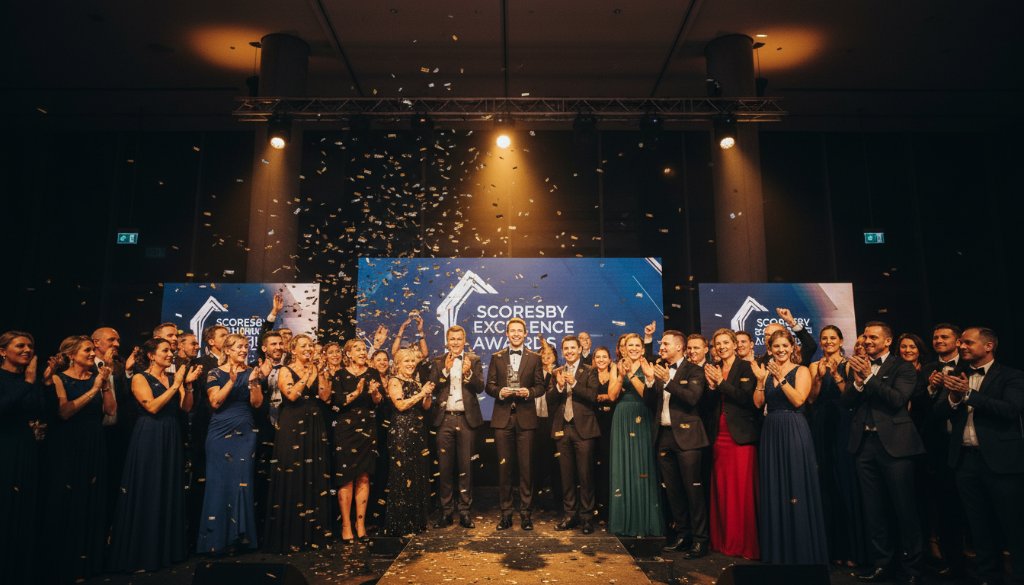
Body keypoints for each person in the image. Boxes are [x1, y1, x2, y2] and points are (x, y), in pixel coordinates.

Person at [932, 327, 1024, 585]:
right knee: (979, 526)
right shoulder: (959, 375)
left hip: (1002, 463)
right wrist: (952, 396)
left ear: (988, 346)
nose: (962, 347)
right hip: (966, 461)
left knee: (1013, 527)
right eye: (961, 343)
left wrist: (970, 395)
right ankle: (988, 577)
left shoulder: (1011, 376)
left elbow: (1011, 409)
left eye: (969, 343)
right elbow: (939, 414)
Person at [842, 321, 925, 583]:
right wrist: (856, 383)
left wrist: (868, 378)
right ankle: (882, 564)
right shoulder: (858, 364)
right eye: (865, 337)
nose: (866, 341)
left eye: (873, 337)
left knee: (904, 509)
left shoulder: (903, 366)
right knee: (873, 509)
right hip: (864, 445)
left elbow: (897, 400)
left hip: (896, 446)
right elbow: (846, 402)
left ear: (887, 341)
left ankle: (912, 569)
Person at [109, 338, 201, 572]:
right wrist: (176, 384)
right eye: (165, 351)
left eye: (171, 351)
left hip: (171, 433)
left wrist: (187, 386)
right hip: (149, 434)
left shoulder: (173, 378)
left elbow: (186, 407)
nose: (171, 354)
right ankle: (142, 551)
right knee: (148, 486)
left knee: (167, 487)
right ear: (151, 355)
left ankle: (165, 549)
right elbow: (151, 407)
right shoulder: (141, 377)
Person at [752, 329, 828, 565]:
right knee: (775, 485)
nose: (781, 350)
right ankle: (779, 552)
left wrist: (781, 379)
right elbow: (758, 403)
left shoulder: (802, 370)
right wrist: (760, 381)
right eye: (776, 347)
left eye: (785, 346)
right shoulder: (767, 372)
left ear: (792, 347)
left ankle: (802, 551)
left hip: (794, 428)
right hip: (771, 430)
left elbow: (798, 400)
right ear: (770, 349)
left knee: (795, 483)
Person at [44, 335, 116, 582]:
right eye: (86, 350)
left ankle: (89, 563)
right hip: (68, 444)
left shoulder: (97, 378)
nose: (91, 354)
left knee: (92, 500)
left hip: (94, 442)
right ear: (72, 355)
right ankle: (64, 563)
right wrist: (94, 389)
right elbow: (64, 412)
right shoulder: (58, 378)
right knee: (68, 499)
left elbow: (110, 410)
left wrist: (104, 384)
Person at [196, 333, 265, 554]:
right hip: (219, 433)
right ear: (227, 350)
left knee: (242, 482)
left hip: (244, 432)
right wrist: (232, 382)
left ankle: (240, 537)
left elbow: (257, 403)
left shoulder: (252, 371)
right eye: (238, 347)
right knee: (218, 484)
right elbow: (215, 402)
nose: (244, 350)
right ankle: (216, 540)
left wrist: (254, 383)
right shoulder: (214, 373)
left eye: (246, 347)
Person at [643, 330, 709, 558]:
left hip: (688, 437)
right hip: (664, 436)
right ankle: (683, 535)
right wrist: (651, 381)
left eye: (665, 344)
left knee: (693, 491)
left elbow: (692, 398)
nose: (661, 348)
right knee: (673, 490)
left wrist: (668, 381)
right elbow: (651, 403)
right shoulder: (661, 368)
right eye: (661, 344)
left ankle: (700, 540)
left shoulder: (695, 370)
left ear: (680, 347)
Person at [264, 334, 333, 552]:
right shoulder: (285, 370)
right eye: (303, 346)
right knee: (293, 473)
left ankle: (313, 533)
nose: (308, 349)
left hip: (314, 424)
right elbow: (292, 395)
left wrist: (320, 374)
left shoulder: (316, 369)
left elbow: (325, 396)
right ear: (293, 350)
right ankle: (290, 534)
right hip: (293, 424)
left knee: (314, 474)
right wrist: (308, 374)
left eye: (310, 346)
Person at [807, 325, 866, 568]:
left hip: (844, 423)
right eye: (824, 338)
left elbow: (850, 396)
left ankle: (853, 549)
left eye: (833, 338)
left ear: (841, 341)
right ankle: (833, 550)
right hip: (821, 424)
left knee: (846, 483)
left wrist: (837, 375)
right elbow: (811, 398)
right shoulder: (814, 365)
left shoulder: (851, 363)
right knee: (827, 485)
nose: (829, 341)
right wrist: (819, 378)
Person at [701, 329, 759, 559]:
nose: (722, 346)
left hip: (741, 437)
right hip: (719, 436)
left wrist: (720, 383)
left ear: (735, 345)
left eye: (726, 342)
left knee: (741, 492)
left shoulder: (746, 367)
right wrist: (713, 388)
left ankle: (742, 543)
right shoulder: (714, 369)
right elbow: (707, 405)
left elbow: (746, 399)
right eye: (718, 343)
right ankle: (723, 541)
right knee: (723, 490)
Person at [915, 323, 966, 578]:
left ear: (958, 341)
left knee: (969, 507)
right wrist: (931, 388)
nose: (938, 340)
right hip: (938, 448)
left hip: (968, 445)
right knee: (944, 507)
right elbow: (918, 408)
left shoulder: (969, 366)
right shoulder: (927, 369)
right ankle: (954, 564)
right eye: (935, 337)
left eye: (944, 337)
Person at [485, 317, 545, 530]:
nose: (516, 334)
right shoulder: (497, 357)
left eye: (520, 331)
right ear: (507, 334)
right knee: (504, 469)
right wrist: (499, 391)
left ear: (525, 333)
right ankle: (506, 514)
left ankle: (526, 514)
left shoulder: (535, 357)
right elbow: (489, 386)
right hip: (502, 419)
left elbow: (541, 386)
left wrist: (529, 392)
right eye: (513, 331)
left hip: (526, 419)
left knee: (526, 469)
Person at [0, 331, 48, 584]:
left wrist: (37, 382)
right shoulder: (8, 378)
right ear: (2, 351)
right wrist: (28, 383)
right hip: (5, 448)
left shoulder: (30, 378)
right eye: (20, 345)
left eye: (30, 345)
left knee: (24, 506)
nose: (27, 349)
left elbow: (38, 408)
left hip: (26, 447)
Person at [606, 335, 663, 538]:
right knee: (624, 466)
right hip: (622, 417)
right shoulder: (616, 366)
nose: (633, 348)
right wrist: (621, 375)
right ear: (623, 348)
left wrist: (631, 375)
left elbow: (646, 395)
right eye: (630, 345)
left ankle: (645, 521)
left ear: (643, 348)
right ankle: (624, 521)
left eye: (637, 345)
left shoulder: (649, 365)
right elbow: (612, 396)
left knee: (643, 464)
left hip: (643, 415)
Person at [429, 326, 484, 529]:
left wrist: (467, 372)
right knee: (444, 468)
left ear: (464, 339)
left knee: (466, 468)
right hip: (444, 420)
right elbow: (432, 386)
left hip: (466, 419)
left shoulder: (474, 360)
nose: (455, 342)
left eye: (458, 338)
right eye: (452, 339)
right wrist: (445, 369)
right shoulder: (437, 361)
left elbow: (480, 387)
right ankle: (446, 512)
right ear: (447, 340)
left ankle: (465, 512)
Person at [330, 338, 384, 543]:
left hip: (368, 428)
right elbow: (337, 402)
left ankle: (360, 524)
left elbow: (379, 402)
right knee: (346, 477)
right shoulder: (339, 374)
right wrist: (357, 392)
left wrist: (375, 392)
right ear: (348, 354)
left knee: (363, 476)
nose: (362, 352)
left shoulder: (372, 373)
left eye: (364, 349)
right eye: (358, 349)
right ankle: (346, 524)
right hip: (346, 428)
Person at [548, 335, 601, 534]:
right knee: (566, 475)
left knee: (585, 475)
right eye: (566, 348)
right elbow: (550, 398)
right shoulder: (557, 372)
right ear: (562, 352)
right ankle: (570, 515)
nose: (569, 351)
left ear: (580, 350)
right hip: (563, 429)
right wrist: (560, 386)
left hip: (584, 429)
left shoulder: (589, 370)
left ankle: (587, 518)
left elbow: (592, 396)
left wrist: (575, 383)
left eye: (573, 348)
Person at [385, 348, 435, 537]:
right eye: (406, 361)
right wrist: (421, 393)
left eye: (413, 361)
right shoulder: (394, 381)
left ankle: (415, 522)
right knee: (402, 474)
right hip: (402, 431)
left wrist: (427, 394)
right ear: (397, 363)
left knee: (416, 474)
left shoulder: (415, 380)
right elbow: (401, 405)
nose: (411, 364)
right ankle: (401, 524)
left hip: (418, 431)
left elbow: (426, 407)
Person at [533, 337, 562, 513]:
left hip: (554, 421)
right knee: (537, 461)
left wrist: (552, 373)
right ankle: (537, 497)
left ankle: (558, 497)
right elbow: (540, 389)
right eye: (543, 353)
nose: (546, 356)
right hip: (536, 421)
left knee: (556, 461)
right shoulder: (534, 373)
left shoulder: (559, 372)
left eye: (550, 353)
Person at [369, 348, 392, 528]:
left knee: (387, 471)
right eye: (379, 359)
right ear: (372, 362)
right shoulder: (370, 380)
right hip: (373, 430)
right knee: (373, 472)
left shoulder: (393, 380)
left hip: (390, 430)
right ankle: (372, 516)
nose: (383, 362)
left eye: (385, 359)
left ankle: (385, 513)